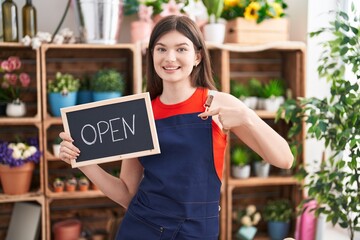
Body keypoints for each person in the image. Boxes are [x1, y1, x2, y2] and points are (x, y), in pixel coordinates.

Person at [59, 15, 294, 239]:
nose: (170, 58)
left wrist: (246, 117)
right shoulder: (140, 112)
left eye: (181, 49)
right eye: (161, 49)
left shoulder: (218, 103)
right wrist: (84, 163)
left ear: (197, 57)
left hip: (196, 233)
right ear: (152, 55)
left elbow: (284, 159)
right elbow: (127, 194)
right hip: (141, 229)